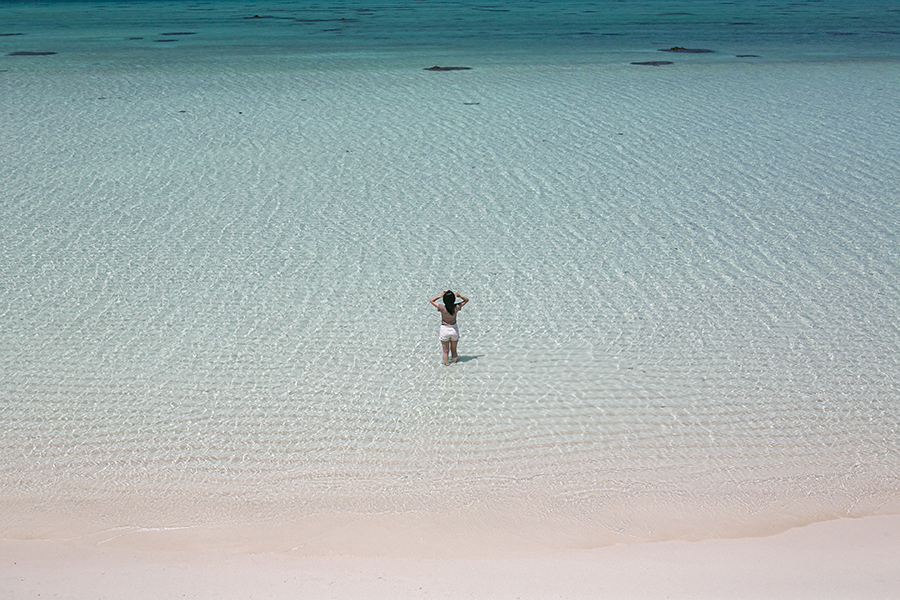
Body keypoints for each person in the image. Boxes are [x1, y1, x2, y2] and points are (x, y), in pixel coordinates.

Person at [429, 290, 469, 365]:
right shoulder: (456, 307)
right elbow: (466, 300)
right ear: (453, 299)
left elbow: (431, 300)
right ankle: (455, 363)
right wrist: (459, 296)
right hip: (454, 330)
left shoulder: (441, 307)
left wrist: (440, 296)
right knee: (453, 350)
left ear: (444, 300)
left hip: (444, 330)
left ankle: (447, 365)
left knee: (445, 351)